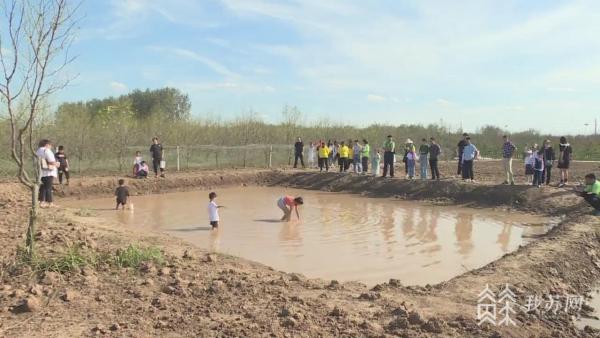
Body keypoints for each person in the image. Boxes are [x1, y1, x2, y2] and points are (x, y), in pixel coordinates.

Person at [36, 139, 59, 208]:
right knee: (48, 187)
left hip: (41, 172)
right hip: (48, 171)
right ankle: (50, 203)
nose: (50, 147)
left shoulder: (38, 151)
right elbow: (51, 161)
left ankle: (41, 202)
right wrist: (57, 164)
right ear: (47, 145)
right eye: (50, 145)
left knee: (43, 187)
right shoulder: (47, 150)